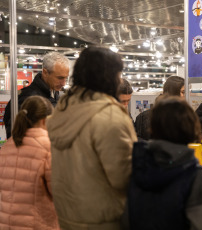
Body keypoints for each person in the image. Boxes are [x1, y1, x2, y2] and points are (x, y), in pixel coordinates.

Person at [47, 47, 137, 230]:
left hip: (67, 217)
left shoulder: (63, 110)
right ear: (108, 76)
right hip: (104, 220)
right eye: (117, 74)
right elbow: (125, 177)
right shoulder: (110, 116)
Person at [125, 96, 202, 230]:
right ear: (190, 126)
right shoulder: (195, 175)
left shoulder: (135, 164)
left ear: (153, 127)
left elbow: (125, 217)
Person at [0, 96, 58, 230]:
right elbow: (59, 192)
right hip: (38, 224)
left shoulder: (7, 147)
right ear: (45, 120)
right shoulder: (49, 148)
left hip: (6, 223)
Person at [4, 52, 70, 138]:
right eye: (60, 78)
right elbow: (15, 136)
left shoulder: (54, 93)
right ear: (45, 73)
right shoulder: (28, 98)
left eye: (66, 78)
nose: (64, 83)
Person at [135, 75, 185, 140]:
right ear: (173, 92)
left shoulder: (143, 116)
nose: (184, 96)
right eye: (183, 92)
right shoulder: (144, 117)